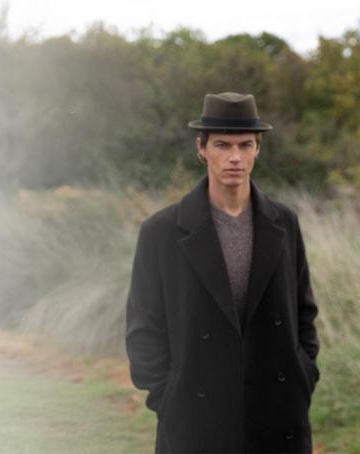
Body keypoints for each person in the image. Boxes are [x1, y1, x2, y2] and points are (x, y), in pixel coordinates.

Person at [125, 92, 320, 453]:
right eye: (222, 145)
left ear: (258, 148)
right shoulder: (161, 232)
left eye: (245, 145)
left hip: (277, 413)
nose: (235, 157)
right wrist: (167, 396)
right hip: (194, 419)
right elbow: (143, 327)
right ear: (201, 148)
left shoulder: (284, 222)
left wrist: (302, 375)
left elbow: (303, 311)